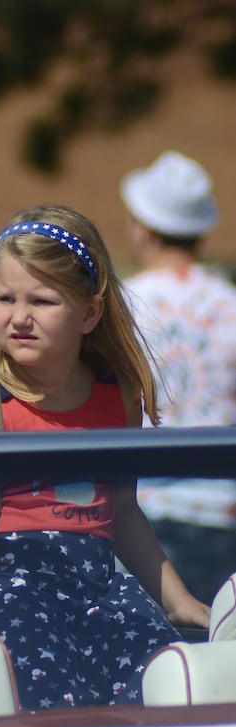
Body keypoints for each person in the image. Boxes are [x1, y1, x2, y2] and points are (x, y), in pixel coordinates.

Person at [0, 204, 211, 710]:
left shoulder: (116, 395)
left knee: (159, 687)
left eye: (42, 300)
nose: (19, 317)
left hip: (98, 590)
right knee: (41, 698)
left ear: (90, 313)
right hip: (5, 592)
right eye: (4, 298)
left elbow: (122, 511)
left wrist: (179, 601)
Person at [119, 150, 236, 604]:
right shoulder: (229, 304)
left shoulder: (122, 305)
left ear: (144, 229)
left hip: (144, 514)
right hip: (224, 508)